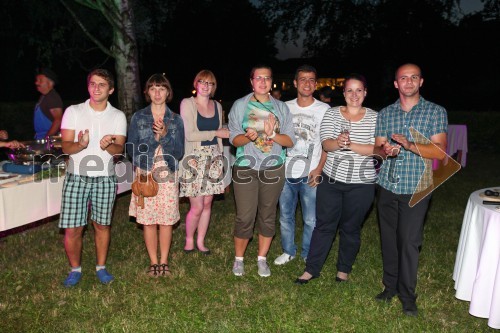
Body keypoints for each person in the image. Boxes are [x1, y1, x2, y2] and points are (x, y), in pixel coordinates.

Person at [373, 63, 447, 317]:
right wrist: (387, 150)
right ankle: (390, 286)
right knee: (389, 240)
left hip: (417, 186)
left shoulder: (435, 112)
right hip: (387, 186)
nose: (408, 81)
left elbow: (439, 150)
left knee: (408, 242)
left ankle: (408, 297)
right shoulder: (385, 114)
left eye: (413, 77)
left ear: (421, 82)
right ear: (396, 83)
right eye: (403, 78)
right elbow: (378, 147)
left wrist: (408, 144)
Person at [295, 73, 378, 284]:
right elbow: (326, 145)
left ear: (365, 93)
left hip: (362, 183)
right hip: (332, 180)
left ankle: (343, 270)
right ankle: (311, 269)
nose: (354, 94)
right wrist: (338, 142)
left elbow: (376, 150)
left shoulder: (376, 118)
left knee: (350, 227)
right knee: (324, 225)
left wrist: (350, 145)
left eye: (359, 90)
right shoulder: (332, 114)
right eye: (349, 90)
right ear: (343, 93)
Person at [59, 69, 127, 287]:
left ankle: (101, 267)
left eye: (102, 85)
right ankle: (75, 269)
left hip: (105, 177)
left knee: (101, 225)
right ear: (88, 87)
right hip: (76, 176)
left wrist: (109, 145)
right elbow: (66, 147)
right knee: (73, 228)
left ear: (111, 90)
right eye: (93, 84)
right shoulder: (73, 111)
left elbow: (119, 152)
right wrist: (80, 144)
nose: (96, 88)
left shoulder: (117, 116)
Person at [228, 64, 296, 277]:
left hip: (273, 168)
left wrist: (273, 134)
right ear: (251, 81)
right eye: (259, 78)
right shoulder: (240, 105)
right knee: (245, 216)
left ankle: (262, 259)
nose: (263, 81)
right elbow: (234, 139)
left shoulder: (281, 108)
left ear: (271, 81)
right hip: (245, 167)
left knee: (267, 215)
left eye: (267, 78)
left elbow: (290, 140)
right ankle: (239, 259)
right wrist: (247, 136)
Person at [128, 73, 184, 277]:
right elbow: (131, 148)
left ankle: (164, 262)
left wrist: (165, 135)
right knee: (149, 220)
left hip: (167, 171)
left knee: (166, 219)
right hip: (145, 171)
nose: (157, 93)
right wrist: (153, 140)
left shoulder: (176, 119)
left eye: (161, 88)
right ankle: (153, 263)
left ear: (168, 92)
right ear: (147, 92)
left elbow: (178, 152)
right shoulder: (138, 117)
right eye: (153, 88)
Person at [274, 65, 329, 266]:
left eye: (311, 80)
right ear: (295, 83)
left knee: (310, 220)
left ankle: (307, 252)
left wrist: (319, 169)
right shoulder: (284, 107)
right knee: (285, 216)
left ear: (316, 84)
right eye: (303, 79)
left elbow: (327, 142)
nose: (307, 83)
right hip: (286, 171)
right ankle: (288, 250)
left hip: (310, 172)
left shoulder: (323, 110)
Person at [179, 70, 228, 255]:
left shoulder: (217, 106)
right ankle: (189, 239)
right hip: (194, 158)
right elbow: (189, 134)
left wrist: (227, 131)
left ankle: (201, 241)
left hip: (214, 157)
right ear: (196, 84)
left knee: (208, 204)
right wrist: (216, 133)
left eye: (210, 83)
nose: (206, 86)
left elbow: (219, 130)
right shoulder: (187, 104)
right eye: (203, 82)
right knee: (197, 205)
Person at [34, 68, 63, 139]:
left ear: (50, 83)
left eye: (40, 80)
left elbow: (58, 120)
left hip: (49, 140)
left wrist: (46, 139)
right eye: (37, 80)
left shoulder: (52, 97)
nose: (36, 83)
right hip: (41, 137)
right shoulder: (44, 96)